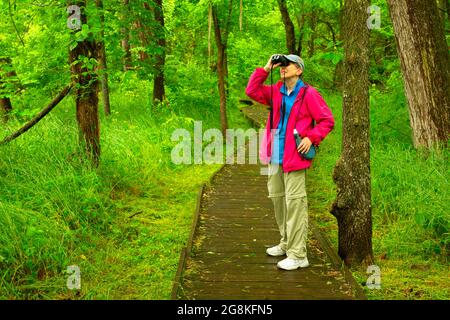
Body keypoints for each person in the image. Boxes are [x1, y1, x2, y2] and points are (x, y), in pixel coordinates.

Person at [245, 54, 335, 270]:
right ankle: (287, 243)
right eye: (281, 64)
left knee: (295, 203)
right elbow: (252, 91)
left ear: (299, 70)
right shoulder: (275, 91)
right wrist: (266, 67)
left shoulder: (309, 94)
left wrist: (311, 137)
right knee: (278, 200)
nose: (283, 67)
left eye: (288, 64)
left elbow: (327, 120)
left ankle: (298, 254)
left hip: (295, 157)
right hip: (275, 155)